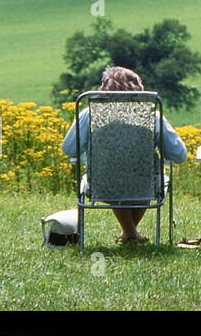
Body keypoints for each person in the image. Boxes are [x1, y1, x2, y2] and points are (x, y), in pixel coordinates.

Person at [62, 65, 189, 245]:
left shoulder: (89, 115)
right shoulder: (153, 116)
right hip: (145, 184)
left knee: (116, 177)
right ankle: (130, 234)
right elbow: (179, 154)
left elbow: (68, 148)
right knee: (140, 180)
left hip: (101, 183)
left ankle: (129, 234)